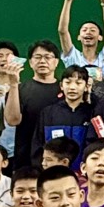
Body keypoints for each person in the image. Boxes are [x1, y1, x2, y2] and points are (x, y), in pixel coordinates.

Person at [11, 40, 64, 173]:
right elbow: (12, 120)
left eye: (47, 57)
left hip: (59, 158)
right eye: (37, 57)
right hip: (26, 158)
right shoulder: (19, 89)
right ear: (30, 62)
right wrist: (13, 85)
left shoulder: (65, 90)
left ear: (56, 62)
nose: (42, 61)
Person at [57, 0, 104, 73]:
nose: (88, 32)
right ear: (79, 37)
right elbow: (62, 31)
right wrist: (68, 0)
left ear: (100, 37)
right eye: (84, 30)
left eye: (93, 30)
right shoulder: (72, 56)